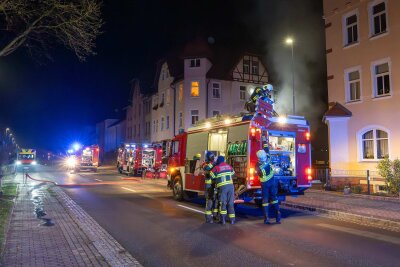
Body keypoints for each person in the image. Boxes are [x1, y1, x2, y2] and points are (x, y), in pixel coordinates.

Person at [255, 149, 281, 224]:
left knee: (265, 199)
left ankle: (266, 218)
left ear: (259, 158)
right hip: (272, 182)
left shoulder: (257, 165)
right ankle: (278, 214)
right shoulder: (268, 158)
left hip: (264, 184)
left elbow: (257, 174)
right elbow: (267, 150)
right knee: (274, 198)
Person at [210, 156, 235, 225]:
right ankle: (232, 220)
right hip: (231, 187)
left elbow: (211, 176)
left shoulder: (216, 168)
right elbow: (233, 174)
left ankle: (223, 220)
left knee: (223, 203)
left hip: (223, 187)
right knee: (230, 203)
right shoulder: (229, 166)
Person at [202, 151, 216, 223]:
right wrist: (214, 163)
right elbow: (207, 168)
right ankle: (208, 218)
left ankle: (215, 216)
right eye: (211, 157)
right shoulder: (205, 165)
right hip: (209, 186)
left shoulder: (212, 164)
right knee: (209, 201)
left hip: (214, 185)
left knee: (215, 201)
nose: (213, 158)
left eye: (213, 157)